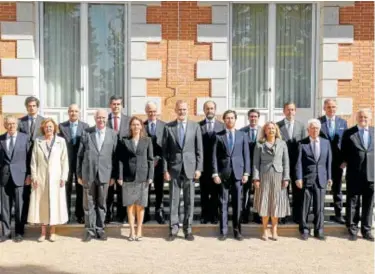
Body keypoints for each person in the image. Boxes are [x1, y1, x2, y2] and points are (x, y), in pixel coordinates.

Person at [162, 100, 203, 241]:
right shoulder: (168, 127)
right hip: (174, 168)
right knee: (173, 199)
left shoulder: (195, 126)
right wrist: (165, 170)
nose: (182, 112)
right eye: (179, 109)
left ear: (188, 110)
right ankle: (173, 228)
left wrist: (199, 168)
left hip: (190, 168)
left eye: (184, 109)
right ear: (175, 110)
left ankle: (188, 229)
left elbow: (199, 150)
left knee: (189, 200)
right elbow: (164, 152)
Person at [77, 109, 118, 242]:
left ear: (107, 119)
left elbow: (115, 157)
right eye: (98, 117)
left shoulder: (113, 134)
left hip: (105, 174)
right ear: (95, 119)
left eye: (103, 118)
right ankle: (89, 230)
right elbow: (80, 155)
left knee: (102, 203)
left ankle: (100, 229)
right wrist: (78, 174)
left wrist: (114, 176)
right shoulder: (87, 133)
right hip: (88, 174)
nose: (101, 120)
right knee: (88, 204)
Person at [27, 118, 69, 242]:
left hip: (56, 178)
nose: (48, 128)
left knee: (55, 204)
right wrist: (34, 176)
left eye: (50, 126)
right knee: (42, 204)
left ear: (54, 128)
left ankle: (53, 231)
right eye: (46, 126)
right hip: (41, 178)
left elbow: (64, 161)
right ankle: (43, 232)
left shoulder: (60, 141)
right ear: (43, 128)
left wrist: (63, 177)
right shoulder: (38, 141)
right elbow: (33, 161)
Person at [212, 110, 250, 241]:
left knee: (237, 204)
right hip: (223, 174)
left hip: (238, 174)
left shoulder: (243, 135)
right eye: (227, 118)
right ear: (224, 120)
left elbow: (246, 155)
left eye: (232, 118)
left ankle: (237, 231)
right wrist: (215, 173)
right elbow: (214, 157)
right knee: (223, 203)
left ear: (235, 119)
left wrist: (246, 173)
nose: (230, 120)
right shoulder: (218, 136)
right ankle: (223, 231)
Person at [117, 117, 154, 241]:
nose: (136, 127)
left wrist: (150, 176)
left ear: (141, 126)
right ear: (130, 126)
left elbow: (150, 159)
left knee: (140, 205)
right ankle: (131, 232)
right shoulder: (125, 141)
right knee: (130, 205)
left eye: (138, 124)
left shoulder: (147, 140)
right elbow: (121, 160)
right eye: (133, 124)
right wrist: (120, 176)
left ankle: (139, 231)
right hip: (128, 176)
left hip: (143, 177)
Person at [253, 121, 290, 241]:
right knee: (265, 203)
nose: (271, 130)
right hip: (264, 176)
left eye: (273, 128)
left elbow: (286, 162)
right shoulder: (259, 144)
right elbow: (255, 163)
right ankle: (264, 230)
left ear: (276, 130)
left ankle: (274, 230)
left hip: (278, 176)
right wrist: (256, 178)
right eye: (268, 128)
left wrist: (286, 177)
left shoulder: (282, 143)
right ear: (265, 131)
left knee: (276, 204)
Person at [296, 119, 332, 241]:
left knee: (319, 207)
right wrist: (299, 177)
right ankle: (304, 229)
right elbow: (298, 163)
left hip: (321, 178)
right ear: (308, 130)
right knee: (305, 205)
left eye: (317, 128)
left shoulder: (326, 143)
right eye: (312, 128)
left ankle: (319, 230)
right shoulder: (302, 143)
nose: (315, 130)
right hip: (307, 178)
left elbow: (328, 162)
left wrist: (329, 177)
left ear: (319, 129)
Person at [342, 109, 374, 241]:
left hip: (371, 175)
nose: (363, 119)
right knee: (353, 202)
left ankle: (366, 230)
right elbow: (344, 152)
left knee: (369, 203)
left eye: (365, 117)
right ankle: (353, 229)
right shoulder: (349, 133)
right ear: (356, 118)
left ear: (370, 118)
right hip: (354, 174)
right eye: (360, 116)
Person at [0, 116, 30, 243]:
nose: (11, 126)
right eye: (9, 124)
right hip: (4, 178)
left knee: (20, 206)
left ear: (17, 125)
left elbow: (29, 158)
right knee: (5, 207)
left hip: (21, 177)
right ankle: (5, 232)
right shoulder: (1, 139)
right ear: (5, 125)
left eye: (13, 123)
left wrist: (29, 174)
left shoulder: (25, 138)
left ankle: (19, 232)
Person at [58, 104, 89, 223]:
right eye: (71, 111)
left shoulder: (85, 127)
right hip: (66, 161)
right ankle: (65, 215)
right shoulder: (61, 126)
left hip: (80, 162)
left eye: (76, 111)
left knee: (81, 188)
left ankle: (79, 215)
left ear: (79, 113)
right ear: (68, 112)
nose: (73, 113)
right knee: (66, 188)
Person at [318, 99, 348, 224]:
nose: (331, 109)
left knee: (337, 189)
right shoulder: (319, 122)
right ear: (324, 108)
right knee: (320, 188)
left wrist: (345, 160)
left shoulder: (343, 122)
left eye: (333, 107)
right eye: (328, 107)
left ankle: (338, 214)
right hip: (322, 161)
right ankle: (319, 215)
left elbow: (346, 142)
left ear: (336, 108)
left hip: (338, 162)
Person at [277, 102, 307, 224]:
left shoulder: (301, 126)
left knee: (297, 191)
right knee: (283, 190)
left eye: (293, 110)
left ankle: (297, 216)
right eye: (288, 110)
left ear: (295, 111)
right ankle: (283, 215)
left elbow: (304, 145)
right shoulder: (278, 126)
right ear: (284, 111)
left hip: (296, 163)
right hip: (282, 163)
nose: (290, 112)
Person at [17, 96, 45, 224]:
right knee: (25, 191)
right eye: (29, 106)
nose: (31, 108)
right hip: (23, 159)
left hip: (39, 160)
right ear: (26, 107)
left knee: (38, 188)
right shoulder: (20, 122)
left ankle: (38, 217)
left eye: (34, 106)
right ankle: (26, 217)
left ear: (37, 107)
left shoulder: (44, 121)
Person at [198, 100, 224, 224]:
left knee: (215, 192)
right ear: (204, 110)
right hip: (202, 165)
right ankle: (204, 215)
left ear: (215, 110)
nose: (210, 111)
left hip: (217, 166)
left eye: (212, 108)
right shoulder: (198, 126)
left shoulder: (222, 126)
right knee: (203, 192)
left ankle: (214, 215)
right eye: (207, 108)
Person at [106, 95, 131, 224]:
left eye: (118, 104)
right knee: (108, 189)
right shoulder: (104, 120)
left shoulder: (128, 120)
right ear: (110, 105)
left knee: (122, 189)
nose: (116, 106)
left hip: (123, 161)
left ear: (122, 106)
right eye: (113, 104)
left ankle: (121, 215)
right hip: (108, 160)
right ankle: (108, 215)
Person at [143, 101, 166, 224]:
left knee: (159, 190)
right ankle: (145, 214)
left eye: (154, 111)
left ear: (157, 112)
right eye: (149, 111)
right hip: (146, 165)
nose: (152, 113)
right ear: (146, 112)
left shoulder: (164, 126)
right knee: (146, 190)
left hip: (160, 165)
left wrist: (159, 159)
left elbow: (167, 146)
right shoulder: (142, 126)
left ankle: (159, 213)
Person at [240, 109, 262, 224]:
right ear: (248, 118)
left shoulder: (264, 131)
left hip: (259, 167)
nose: (253, 118)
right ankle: (245, 215)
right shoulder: (242, 131)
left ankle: (258, 216)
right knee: (246, 192)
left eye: (255, 116)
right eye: (251, 116)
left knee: (258, 192)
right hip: (246, 166)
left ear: (258, 118)